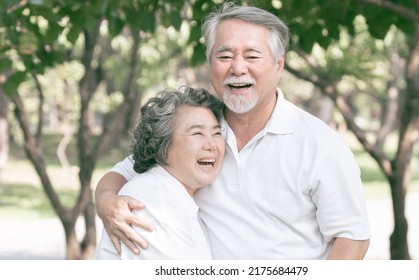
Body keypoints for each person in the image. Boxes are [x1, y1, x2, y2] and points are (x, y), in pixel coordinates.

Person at [95, 3, 371, 260]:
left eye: (252, 56)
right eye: (224, 56)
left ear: (279, 64)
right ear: (210, 63)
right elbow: (125, 173)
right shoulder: (197, 128)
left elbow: (352, 237)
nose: (238, 68)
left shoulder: (320, 144)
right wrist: (107, 203)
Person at [95, 86, 225, 259]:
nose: (211, 145)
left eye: (216, 133)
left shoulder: (176, 194)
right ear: (163, 146)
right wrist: (105, 199)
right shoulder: (149, 203)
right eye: (197, 133)